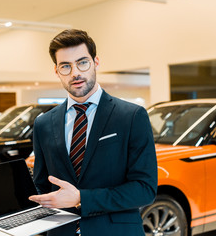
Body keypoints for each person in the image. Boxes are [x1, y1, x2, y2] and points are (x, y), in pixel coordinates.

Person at [29, 29, 157, 236]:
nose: (75, 73)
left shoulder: (131, 116)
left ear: (95, 62)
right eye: (65, 66)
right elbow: (42, 186)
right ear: (56, 70)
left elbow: (144, 189)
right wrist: (13, 208)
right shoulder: (44, 123)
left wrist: (81, 198)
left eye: (82, 62)